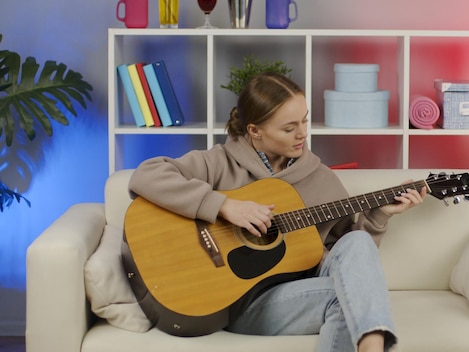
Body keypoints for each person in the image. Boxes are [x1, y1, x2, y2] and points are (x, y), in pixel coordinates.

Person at [128, 72, 426, 352]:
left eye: (305, 122)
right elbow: (147, 175)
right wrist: (223, 206)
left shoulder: (322, 179)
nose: (302, 134)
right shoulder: (218, 162)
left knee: (353, 287)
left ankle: (372, 346)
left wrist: (379, 216)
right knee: (354, 302)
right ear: (255, 130)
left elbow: (353, 266)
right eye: (289, 127)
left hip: (293, 295)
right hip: (238, 302)